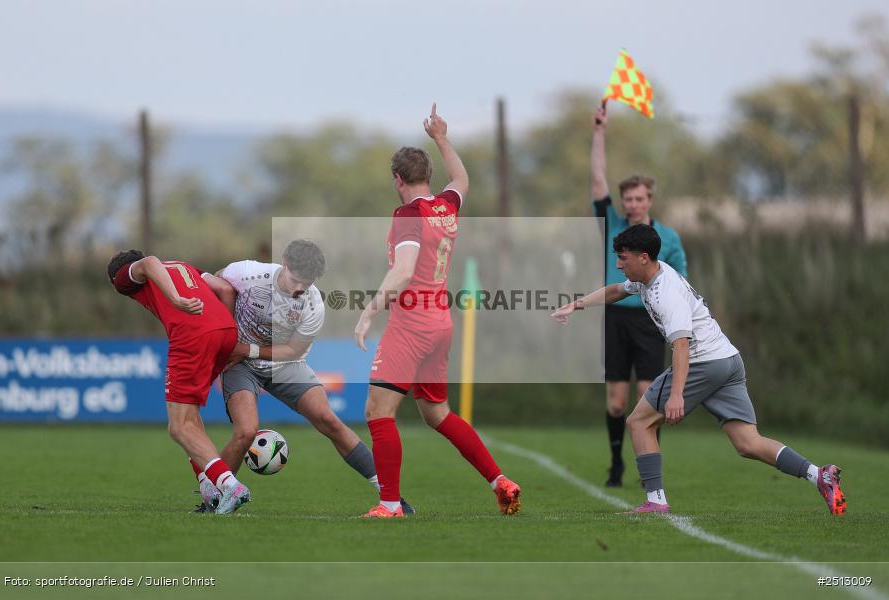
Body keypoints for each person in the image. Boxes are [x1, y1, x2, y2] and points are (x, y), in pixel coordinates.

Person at [551, 224, 846, 515]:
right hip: (728, 360)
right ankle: (819, 475)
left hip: (702, 363)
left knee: (639, 422)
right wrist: (575, 305)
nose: (618, 264)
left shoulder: (666, 292)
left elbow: (681, 345)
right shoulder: (648, 276)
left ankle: (655, 501)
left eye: (623, 258)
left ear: (643, 257)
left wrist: (677, 395)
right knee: (748, 443)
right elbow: (616, 290)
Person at [353, 103, 521, 518]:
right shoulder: (446, 205)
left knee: (378, 411)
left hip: (412, 323)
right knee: (437, 413)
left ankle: (390, 504)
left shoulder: (409, 214)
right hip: (441, 323)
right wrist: (443, 138)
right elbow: (462, 179)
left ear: (398, 179)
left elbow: (404, 270)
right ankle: (500, 481)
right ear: (426, 177)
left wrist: (370, 310)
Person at [200, 239, 414, 514]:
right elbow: (219, 283)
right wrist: (224, 332)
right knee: (245, 432)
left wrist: (244, 349)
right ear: (284, 265)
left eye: (307, 282)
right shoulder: (248, 274)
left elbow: (292, 350)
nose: (300, 288)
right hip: (239, 366)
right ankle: (214, 500)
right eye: (295, 279)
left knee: (329, 420)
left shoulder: (313, 304)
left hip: (283, 363)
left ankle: (391, 497)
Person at [106, 250, 251, 515]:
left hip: (193, 334)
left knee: (178, 427)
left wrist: (177, 300)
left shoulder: (125, 277)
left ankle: (230, 486)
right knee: (189, 417)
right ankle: (209, 485)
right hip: (225, 331)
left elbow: (149, 263)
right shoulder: (183, 265)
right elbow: (225, 289)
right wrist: (225, 328)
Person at [591, 104, 687, 487]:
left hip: (651, 322)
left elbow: (681, 284)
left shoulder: (668, 238)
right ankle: (616, 463)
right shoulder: (613, 224)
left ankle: (651, 467)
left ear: (649, 200)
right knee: (616, 402)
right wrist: (599, 132)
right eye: (627, 199)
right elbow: (597, 177)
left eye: (639, 199)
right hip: (616, 319)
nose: (632, 205)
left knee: (650, 399)